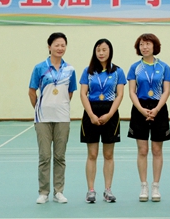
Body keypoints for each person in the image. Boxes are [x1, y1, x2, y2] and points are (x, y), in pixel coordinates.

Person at [29, 32, 77, 204]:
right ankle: (43, 192)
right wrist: (40, 108)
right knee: (44, 156)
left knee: (59, 156)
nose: (60, 48)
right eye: (57, 45)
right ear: (49, 47)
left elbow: (70, 92)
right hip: (43, 118)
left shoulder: (70, 70)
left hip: (62, 117)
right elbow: (32, 91)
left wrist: (59, 105)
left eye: (63, 45)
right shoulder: (39, 68)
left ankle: (59, 191)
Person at [126, 33, 170, 202]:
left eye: (147, 44)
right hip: (140, 108)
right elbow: (132, 91)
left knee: (157, 150)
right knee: (142, 150)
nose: (144, 47)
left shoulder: (164, 67)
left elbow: (166, 91)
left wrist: (157, 109)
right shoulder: (135, 67)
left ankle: (155, 187)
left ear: (154, 46)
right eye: (141, 44)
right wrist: (141, 109)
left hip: (159, 108)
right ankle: (144, 186)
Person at [78, 38, 125, 203]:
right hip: (91, 112)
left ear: (110, 51)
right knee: (92, 154)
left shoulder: (118, 71)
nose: (101, 53)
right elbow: (83, 93)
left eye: (104, 49)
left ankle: (108, 190)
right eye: (98, 50)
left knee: (108, 154)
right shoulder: (88, 71)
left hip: (110, 113)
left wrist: (110, 114)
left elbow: (120, 95)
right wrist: (91, 115)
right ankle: (91, 191)